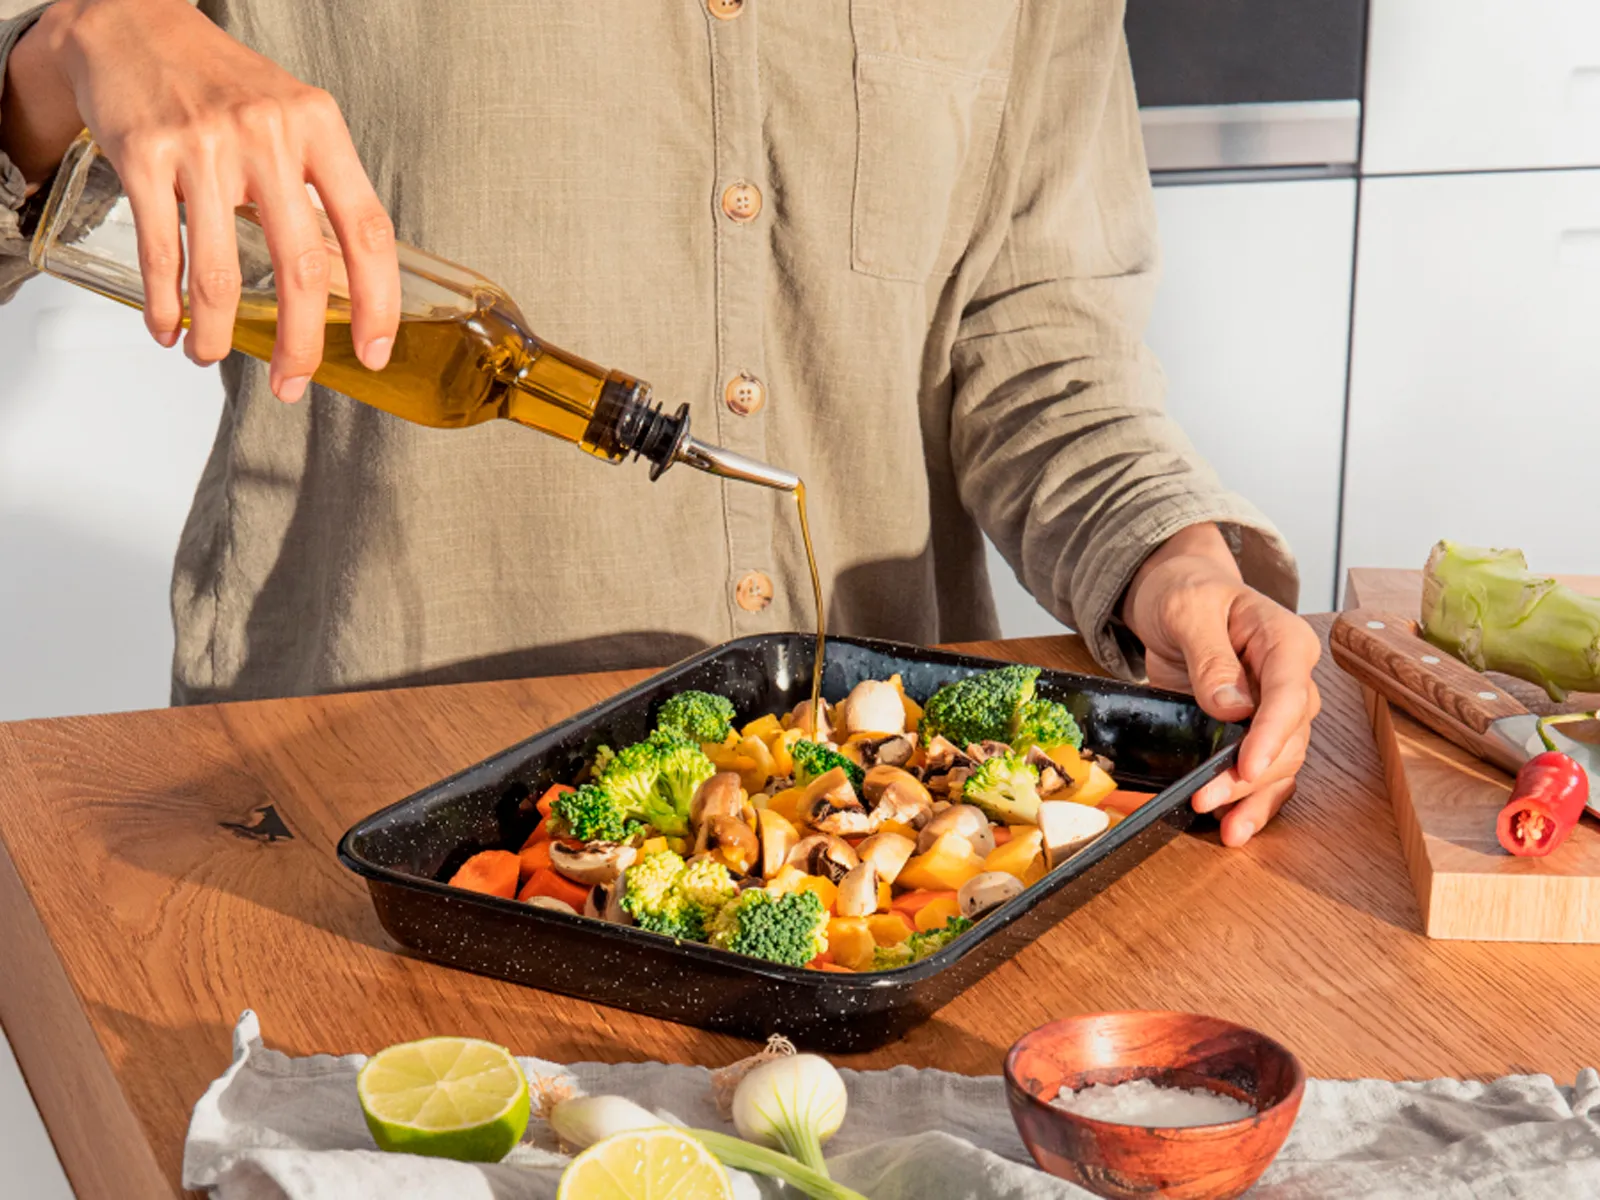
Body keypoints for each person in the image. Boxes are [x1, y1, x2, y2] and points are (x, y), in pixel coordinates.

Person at [0, 0, 1321, 845]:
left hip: (862, 853)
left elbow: (1032, 327)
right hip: (355, 830)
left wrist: (1174, 562)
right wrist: (68, 47)